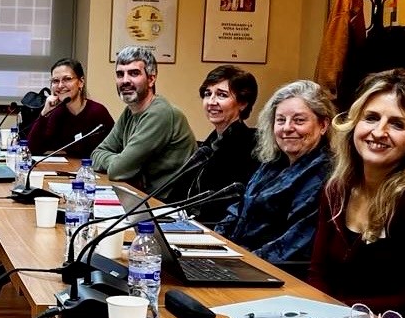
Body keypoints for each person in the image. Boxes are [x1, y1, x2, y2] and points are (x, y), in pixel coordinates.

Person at [308, 70, 405, 318]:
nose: (379, 131)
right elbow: (318, 272)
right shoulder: (336, 189)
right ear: (353, 124)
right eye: (371, 118)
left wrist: (338, 314)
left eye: (397, 124)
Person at [214, 80, 334, 265]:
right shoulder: (273, 163)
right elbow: (238, 211)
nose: (287, 128)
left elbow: (293, 245)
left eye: (299, 120)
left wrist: (236, 263)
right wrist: (212, 245)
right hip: (234, 259)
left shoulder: (323, 173)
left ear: (323, 125)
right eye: (280, 120)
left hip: (269, 272)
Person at [161, 65, 259, 223]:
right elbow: (179, 193)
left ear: (243, 103)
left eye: (222, 95)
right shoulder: (209, 144)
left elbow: (226, 207)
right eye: (207, 94)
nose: (211, 102)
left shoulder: (249, 147)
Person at [90, 45, 196, 191]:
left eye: (134, 73)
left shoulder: (160, 113)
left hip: (168, 205)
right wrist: (119, 161)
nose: (125, 81)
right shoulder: (130, 112)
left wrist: (120, 163)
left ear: (151, 79)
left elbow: (118, 170)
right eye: (120, 74)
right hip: (142, 198)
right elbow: (96, 154)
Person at [20, 58, 114, 160]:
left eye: (67, 79)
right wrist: (45, 113)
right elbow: (32, 149)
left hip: (93, 171)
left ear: (81, 82)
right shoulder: (57, 113)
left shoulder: (97, 112)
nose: (60, 86)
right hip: (68, 170)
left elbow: (114, 149)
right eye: (55, 81)